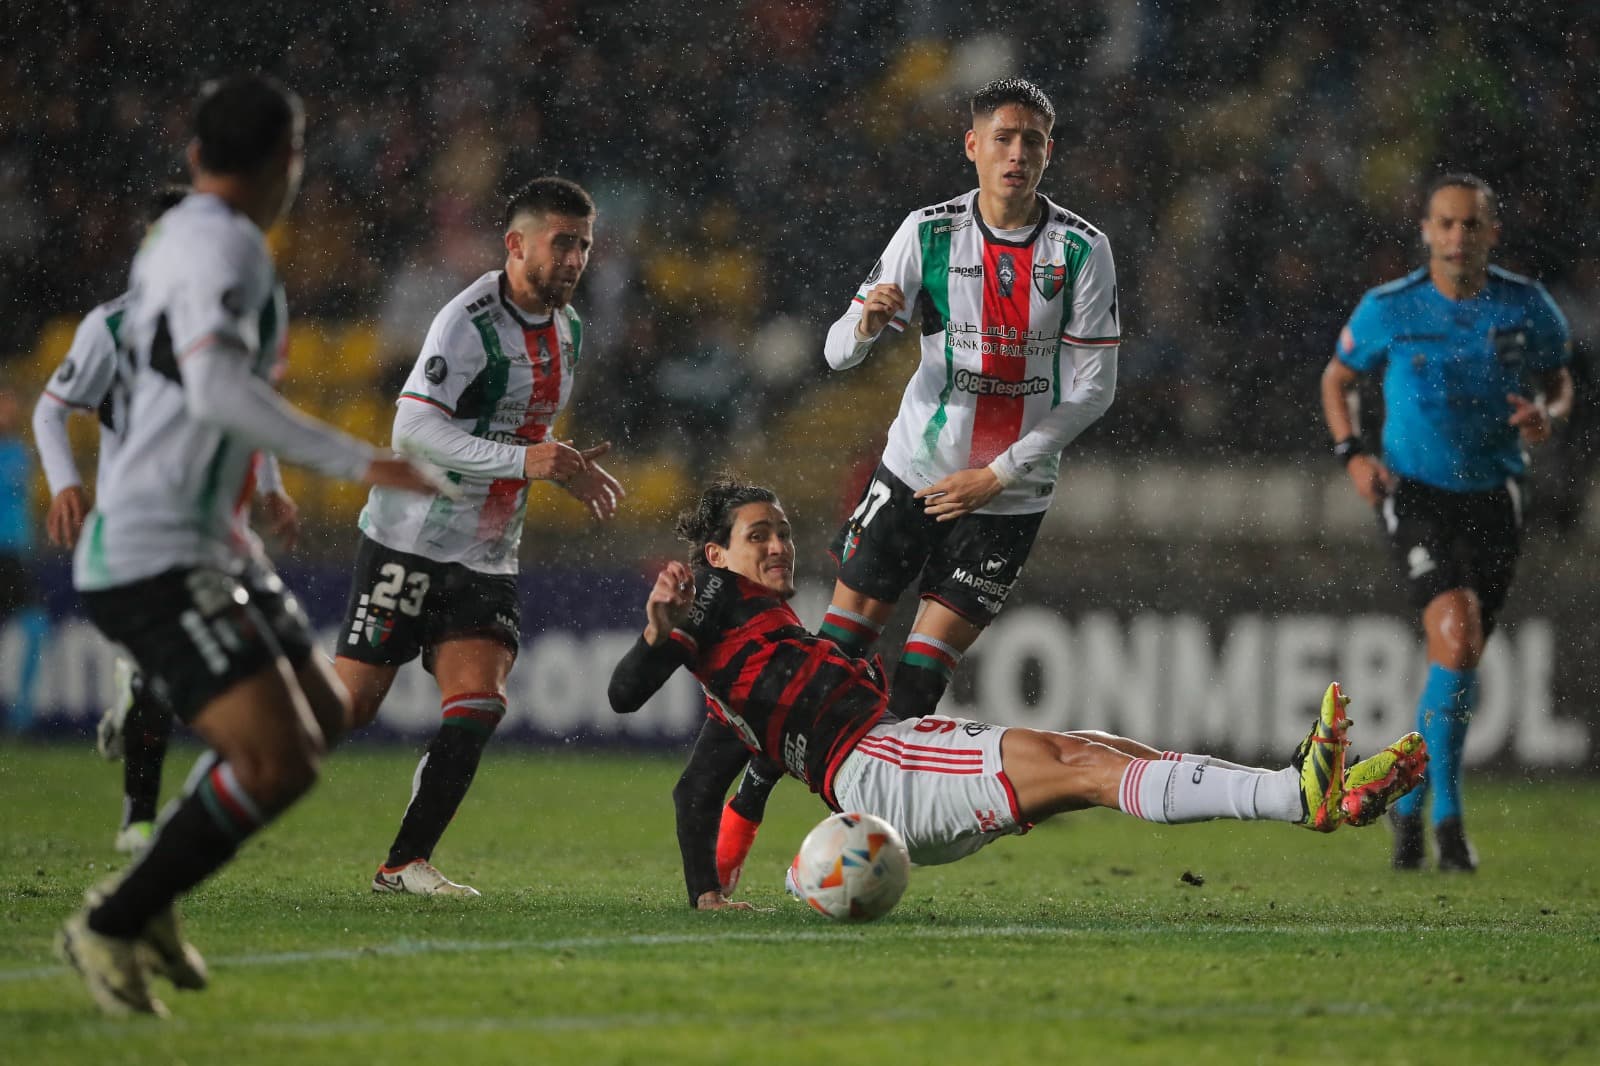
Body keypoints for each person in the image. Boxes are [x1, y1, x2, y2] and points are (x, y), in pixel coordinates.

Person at [56, 74, 440, 1018]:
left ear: (195, 157)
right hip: (156, 549)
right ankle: (116, 919)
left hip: (212, 542)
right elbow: (217, 391)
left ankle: (149, 897)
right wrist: (357, 459)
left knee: (319, 719)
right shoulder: (226, 249)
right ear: (287, 162)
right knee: (276, 759)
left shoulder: (175, 235)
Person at [608, 477, 1429, 911]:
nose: (781, 545)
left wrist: (709, 893)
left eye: (784, 531)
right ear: (716, 554)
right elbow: (625, 693)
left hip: (891, 776)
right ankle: (1299, 797)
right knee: (1079, 760)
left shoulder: (772, 648)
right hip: (884, 770)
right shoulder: (711, 614)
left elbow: (702, 785)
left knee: (1103, 756)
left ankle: (1308, 792)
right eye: (761, 536)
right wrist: (657, 632)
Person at [708, 77, 1121, 892]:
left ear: (1050, 152)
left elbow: (1093, 390)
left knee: (917, 688)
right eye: (1002, 137)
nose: (1016, 153)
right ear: (972, 146)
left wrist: (995, 474)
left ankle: (856, 855)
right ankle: (733, 836)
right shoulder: (926, 233)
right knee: (827, 667)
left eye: (1032, 140)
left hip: (1005, 501)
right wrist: (864, 323)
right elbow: (835, 354)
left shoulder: (1081, 250)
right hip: (909, 480)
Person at [332, 176, 623, 898]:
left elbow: (523, 428)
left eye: (584, 245)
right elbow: (413, 428)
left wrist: (561, 465)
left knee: (479, 703)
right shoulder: (468, 321)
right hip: (408, 543)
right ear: (515, 244)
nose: (575, 259)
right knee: (351, 706)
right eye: (561, 243)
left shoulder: (570, 330)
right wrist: (528, 461)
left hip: (487, 552)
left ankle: (402, 865)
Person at [31, 185, 303, 856]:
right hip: (141, 530)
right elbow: (50, 407)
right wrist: (66, 482)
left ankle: (149, 805)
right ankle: (140, 821)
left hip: (217, 526)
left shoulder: (231, 324)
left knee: (230, 684)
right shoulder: (113, 326)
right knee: (184, 678)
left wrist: (270, 485)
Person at [1321, 173, 1573, 874]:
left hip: (1496, 495)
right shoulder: (1389, 309)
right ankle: (1449, 819)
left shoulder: (1527, 306)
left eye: (1471, 225)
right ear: (1426, 232)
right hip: (1417, 491)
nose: (1457, 237)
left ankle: (1404, 806)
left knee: (1458, 658)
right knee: (1457, 636)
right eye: (1445, 224)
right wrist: (1353, 456)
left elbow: (1560, 378)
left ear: (1493, 232)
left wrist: (1548, 414)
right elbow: (1336, 379)